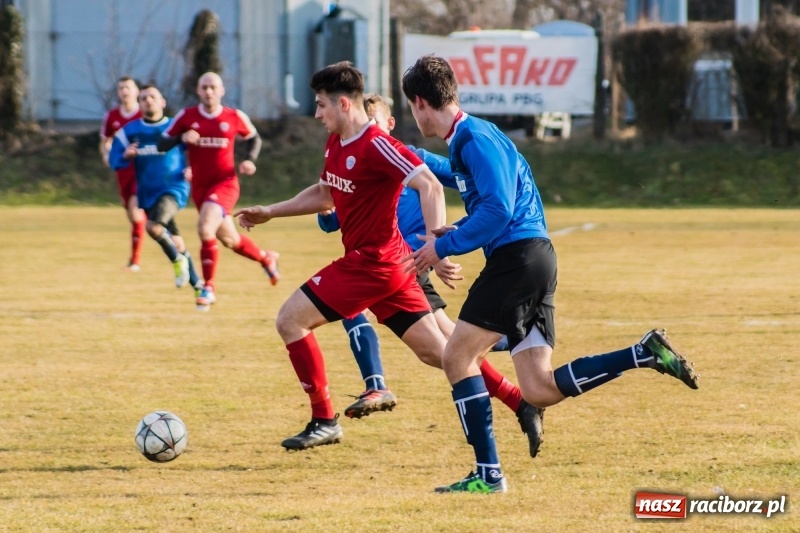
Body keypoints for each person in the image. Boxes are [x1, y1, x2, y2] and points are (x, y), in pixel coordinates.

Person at [402, 55, 700, 493]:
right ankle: (643, 353)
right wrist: (458, 223)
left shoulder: (474, 139)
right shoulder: (471, 139)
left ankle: (488, 476)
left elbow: (500, 210)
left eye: (412, 107)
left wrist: (441, 245)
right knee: (539, 388)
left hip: (517, 261)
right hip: (533, 260)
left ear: (421, 102)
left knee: (457, 357)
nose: (413, 115)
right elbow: (486, 199)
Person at [235, 62, 542, 457]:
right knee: (443, 353)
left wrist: (437, 247)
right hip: (392, 267)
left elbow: (429, 183)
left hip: (372, 263)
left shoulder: (377, 143)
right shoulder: (337, 142)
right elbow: (326, 194)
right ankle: (521, 401)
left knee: (290, 320)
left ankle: (324, 419)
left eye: (320, 106)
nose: (317, 115)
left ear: (343, 104)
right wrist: (271, 211)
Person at [317, 95, 541, 460]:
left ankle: (374, 390)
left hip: (403, 264)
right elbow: (331, 214)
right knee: (447, 345)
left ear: (389, 125)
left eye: (374, 122)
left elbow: (455, 178)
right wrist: (328, 208)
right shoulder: (355, 158)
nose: (365, 129)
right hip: (388, 264)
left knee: (448, 349)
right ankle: (514, 386)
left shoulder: (407, 157)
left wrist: (442, 246)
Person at [157, 72, 279, 311]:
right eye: (204, 87)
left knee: (204, 229)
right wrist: (181, 137)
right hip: (200, 188)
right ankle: (267, 258)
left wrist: (250, 160)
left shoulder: (233, 116)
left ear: (222, 90)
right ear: (198, 91)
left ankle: (208, 287)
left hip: (225, 184)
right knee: (230, 240)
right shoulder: (187, 116)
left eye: (213, 87)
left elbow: (254, 139)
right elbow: (162, 143)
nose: (209, 91)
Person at [108, 84, 201, 294]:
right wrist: (125, 156)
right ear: (139, 104)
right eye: (143, 98)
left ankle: (177, 262)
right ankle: (199, 286)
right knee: (176, 241)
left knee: (153, 227)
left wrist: (192, 168)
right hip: (147, 193)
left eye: (152, 97)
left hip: (173, 188)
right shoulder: (130, 131)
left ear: (162, 102)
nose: (148, 100)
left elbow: (198, 151)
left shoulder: (174, 128)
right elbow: (114, 159)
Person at [100, 76, 146, 271]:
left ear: (136, 91)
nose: (124, 91)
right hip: (123, 170)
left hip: (143, 169)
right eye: (121, 88)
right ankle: (154, 225)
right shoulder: (112, 116)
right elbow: (105, 141)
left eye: (128, 87)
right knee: (130, 212)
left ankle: (135, 261)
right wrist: (107, 155)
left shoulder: (144, 114)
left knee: (135, 212)